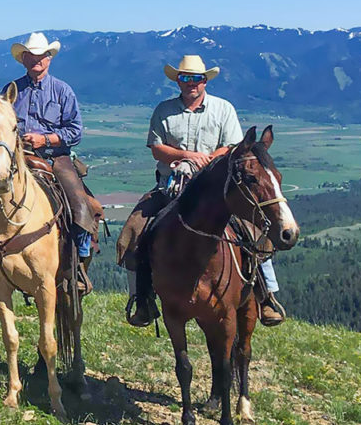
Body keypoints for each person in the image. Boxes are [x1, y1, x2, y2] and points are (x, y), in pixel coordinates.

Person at [117, 54, 285, 327]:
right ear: (178, 81)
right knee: (135, 230)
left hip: (214, 189)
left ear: (205, 81)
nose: (191, 83)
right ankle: (141, 297)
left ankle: (267, 295)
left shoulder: (223, 109)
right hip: (172, 185)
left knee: (252, 229)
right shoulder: (164, 110)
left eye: (196, 78)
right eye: (185, 78)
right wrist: (186, 156)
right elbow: (157, 148)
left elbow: (232, 147)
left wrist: (206, 161)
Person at [0, 32, 101, 290]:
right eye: (31, 56)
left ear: (49, 58)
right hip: (14, 157)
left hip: (56, 158)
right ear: (23, 59)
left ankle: (77, 262)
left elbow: (75, 131)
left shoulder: (62, 91)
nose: (37, 60)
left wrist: (47, 140)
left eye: (41, 56)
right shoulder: (10, 91)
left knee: (80, 204)